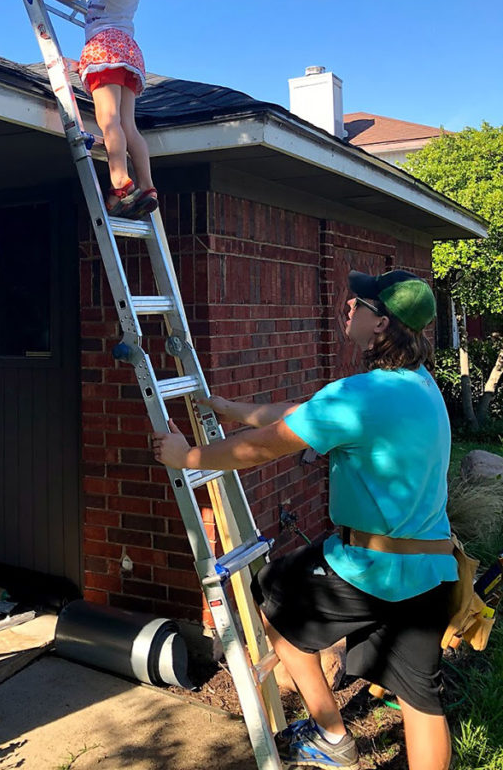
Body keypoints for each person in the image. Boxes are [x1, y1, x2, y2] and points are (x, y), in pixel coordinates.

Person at [152, 269, 458, 770]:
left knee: (273, 594)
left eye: (357, 303)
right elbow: (307, 412)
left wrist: (188, 456)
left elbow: (265, 447)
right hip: (429, 571)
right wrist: (232, 408)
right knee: (420, 701)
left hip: (367, 568)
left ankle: (333, 739)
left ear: (380, 323)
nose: (347, 308)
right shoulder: (417, 385)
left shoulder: (361, 395)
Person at [12, 0, 158, 218]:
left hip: (104, 48)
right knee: (129, 124)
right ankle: (147, 185)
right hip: (128, 51)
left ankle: (121, 183)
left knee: (109, 122)